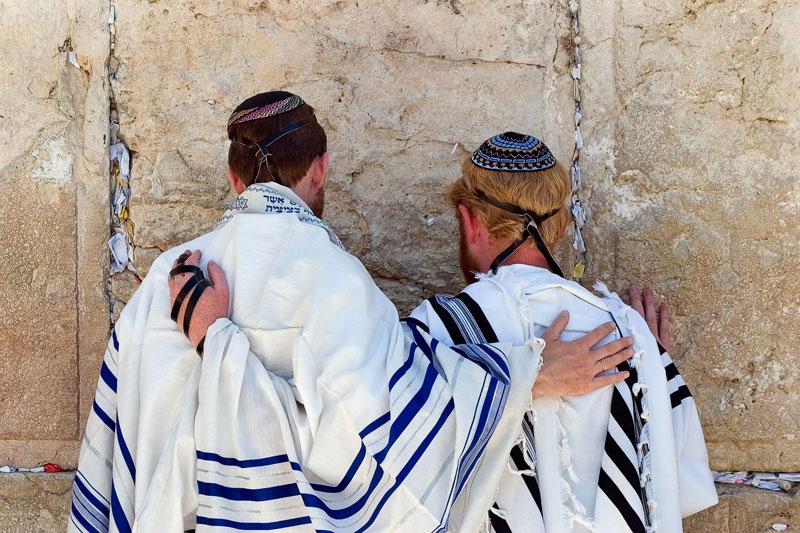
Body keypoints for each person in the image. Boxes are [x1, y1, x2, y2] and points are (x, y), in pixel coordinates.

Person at [68, 93, 633, 533]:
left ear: (234, 178)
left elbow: (112, 444)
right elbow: (394, 444)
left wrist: (218, 340)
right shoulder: (341, 284)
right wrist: (524, 375)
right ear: (321, 169)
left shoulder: (165, 280)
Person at [176, 131, 718, 532]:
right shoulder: (631, 333)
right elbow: (679, 487)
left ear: (469, 221)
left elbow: (360, 458)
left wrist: (218, 341)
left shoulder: (440, 332)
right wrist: (650, 361)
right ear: (560, 223)